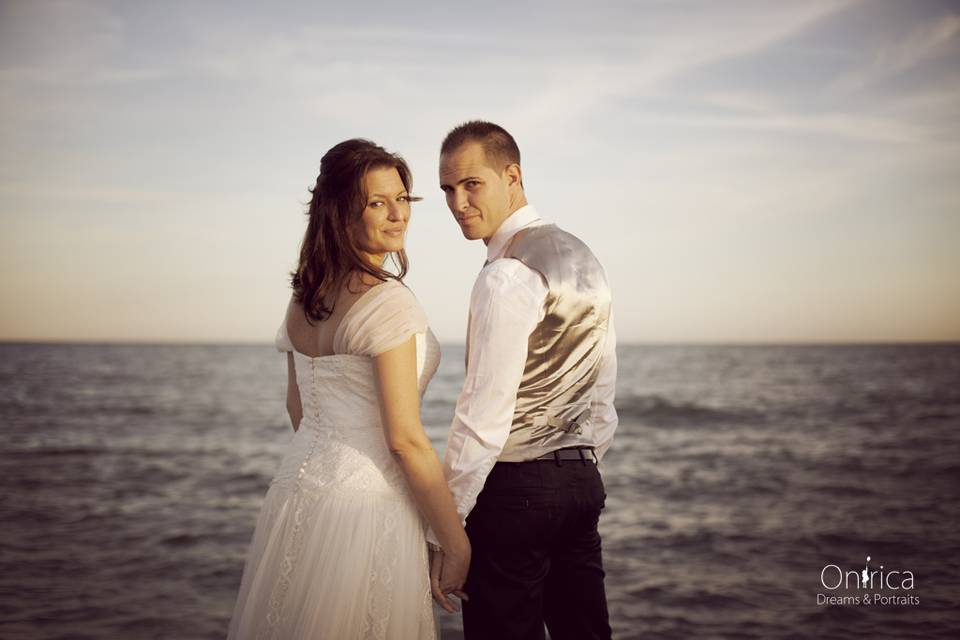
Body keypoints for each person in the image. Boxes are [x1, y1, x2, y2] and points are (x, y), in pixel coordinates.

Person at [228, 138, 470, 640]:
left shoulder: (304, 299)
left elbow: (298, 406)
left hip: (296, 494)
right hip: (368, 507)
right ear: (341, 215)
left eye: (402, 198)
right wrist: (456, 542)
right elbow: (404, 440)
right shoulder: (389, 304)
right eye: (377, 203)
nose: (397, 214)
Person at [428, 121, 618, 640]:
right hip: (581, 484)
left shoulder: (504, 274)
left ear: (512, 176)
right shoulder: (586, 260)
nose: (458, 202)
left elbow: (483, 414)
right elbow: (602, 392)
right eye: (448, 189)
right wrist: (579, 470)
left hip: (514, 491)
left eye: (471, 184)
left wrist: (450, 528)